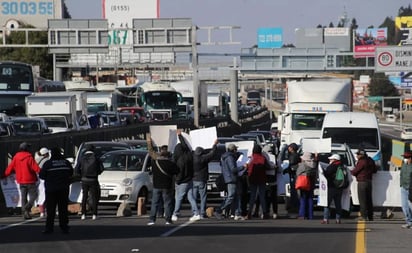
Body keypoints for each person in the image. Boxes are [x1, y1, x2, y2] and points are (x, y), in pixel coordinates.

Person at [39, 147, 74, 234]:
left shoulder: (48, 164)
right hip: (63, 189)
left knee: (51, 210)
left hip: (51, 190)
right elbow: (71, 173)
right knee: (63, 209)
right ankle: (64, 227)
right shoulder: (66, 163)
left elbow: (42, 176)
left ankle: (49, 228)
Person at [3, 142, 41, 220]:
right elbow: (36, 168)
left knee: (23, 197)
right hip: (30, 180)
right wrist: (43, 172)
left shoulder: (16, 157)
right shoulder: (29, 157)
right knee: (34, 196)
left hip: (21, 181)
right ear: (26, 149)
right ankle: (26, 208)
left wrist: (3, 175)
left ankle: (25, 213)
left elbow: (9, 169)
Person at [146, 133, 178, 225]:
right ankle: (168, 219)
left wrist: (149, 141)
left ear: (160, 152)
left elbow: (151, 152)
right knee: (167, 203)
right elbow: (177, 171)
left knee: (154, 203)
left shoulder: (155, 162)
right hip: (167, 186)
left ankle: (152, 220)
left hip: (156, 185)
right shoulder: (170, 163)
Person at [171, 129, 199, 222]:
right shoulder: (189, 155)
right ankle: (196, 213)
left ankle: (175, 213)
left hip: (182, 180)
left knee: (179, 197)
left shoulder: (179, 161)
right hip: (190, 179)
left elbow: (180, 172)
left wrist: (178, 180)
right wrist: (180, 136)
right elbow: (184, 145)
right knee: (190, 197)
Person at [214, 143, 246, 219]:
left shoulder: (225, 157)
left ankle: (237, 213)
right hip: (231, 179)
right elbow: (233, 169)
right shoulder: (230, 157)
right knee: (231, 197)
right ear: (233, 150)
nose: (236, 151)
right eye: (236, 149)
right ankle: (219, 210)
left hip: (229, 178)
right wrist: (243, 167)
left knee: (236, 196)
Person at [75, 144, 103, 220]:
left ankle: (83, 214)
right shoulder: (96, 157)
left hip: (84, 179)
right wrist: (97, 173)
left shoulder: (82, 158)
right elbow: (101, 168)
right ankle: (94, 214)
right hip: (93, 179)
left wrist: (81, 175)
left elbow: (77, 169)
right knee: (94, 196)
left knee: (84, 196)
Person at [192, 139, 218, 219]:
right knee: (203, 197)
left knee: (193, 197)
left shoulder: (192, 158)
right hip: (202, 179)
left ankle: (195, 212)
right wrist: (214, 145)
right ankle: (202, 212)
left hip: (194, 179)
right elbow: (212, 154)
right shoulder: (203, 158)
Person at [351, 148, 377, 221]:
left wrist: (350, 171)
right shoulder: (370, 160)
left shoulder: (362, 161)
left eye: (358, 154)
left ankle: (363, 216)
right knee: (369, 200)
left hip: (362, 182)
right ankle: (370, 216)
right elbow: (375, 170)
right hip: (369, 181)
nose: (356, 156)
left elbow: (354, 172)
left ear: (361, 155)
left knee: (362, 200)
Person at [246, 145, 270, 220]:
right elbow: (268, 167)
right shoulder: (263, 158)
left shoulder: (251, 158)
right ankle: (264, 213)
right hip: (262, 179)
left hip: (253, 179)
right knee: (262, 196)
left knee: (252, 197)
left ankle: (249, 213)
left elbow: (248, 169)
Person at [322, 153, 344, 224]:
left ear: (335, 160)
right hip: (340, 187)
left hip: (331, 187)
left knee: (327, 203)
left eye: (331, 159)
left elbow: (326, 174)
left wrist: (322, 171)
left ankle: (325, 219)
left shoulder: (332, 166)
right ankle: (338, 219)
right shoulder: (343, 166)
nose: (330, 160)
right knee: (338, 204)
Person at [296, 152, 318, 220]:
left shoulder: (303, 164)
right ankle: (310, 215)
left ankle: (302, 214)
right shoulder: (314, 164)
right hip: (311, 182)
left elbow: (298, 173)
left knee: (303, 198)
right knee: (310, 198)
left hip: (304, 183)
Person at [283, 142, 300, 214]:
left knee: (293, 191)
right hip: (293, 174)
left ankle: (294, 207)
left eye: (289, 147)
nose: (288, 149)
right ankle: (294, 206)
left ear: (292, 148)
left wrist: (286, 170)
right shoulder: (295, 155)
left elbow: (291, 164)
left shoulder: (293, 156)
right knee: (293, 191)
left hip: (294, 175)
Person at [34, 147, 51, 218]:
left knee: (40, 196)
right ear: (46, 153)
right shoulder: (47, 160)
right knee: (47, 195)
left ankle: (42, 212)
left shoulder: (36, 159)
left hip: (37, 179)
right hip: (46, 179)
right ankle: (48, 210)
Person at [399, 151, 412, 229]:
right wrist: (401, 184)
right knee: (404, 206)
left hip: (411, 189)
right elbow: (401, 174)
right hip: (403, 187)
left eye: (406, 157)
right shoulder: (403, 164)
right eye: (404, 157)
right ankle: (409, 221)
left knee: (411, 206)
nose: (405, 159)